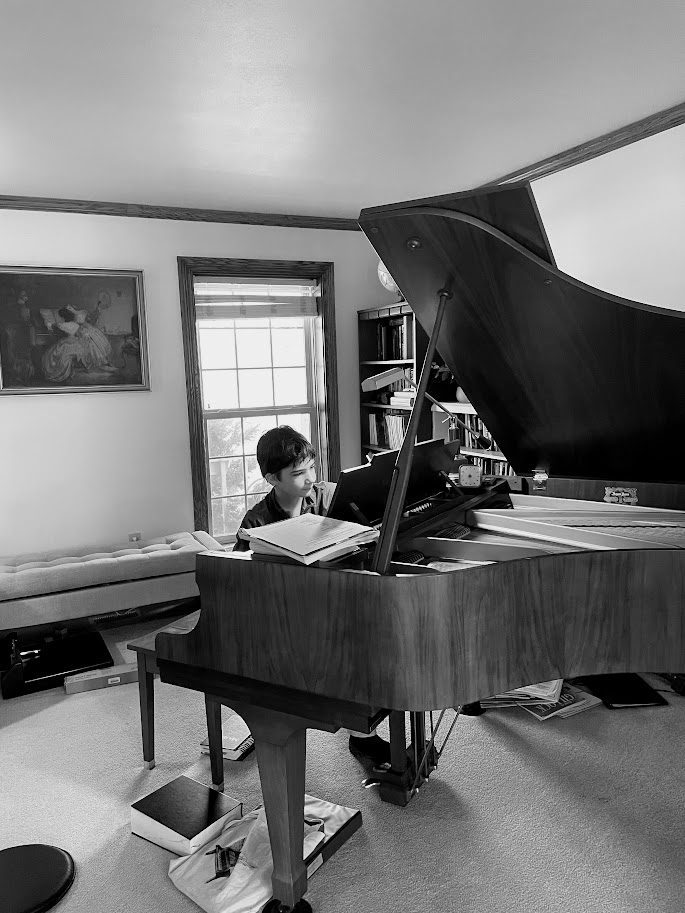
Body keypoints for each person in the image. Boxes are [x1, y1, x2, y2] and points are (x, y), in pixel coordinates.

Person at [234, 425, 391, 769]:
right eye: (298, 473)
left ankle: (367, 720)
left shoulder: (326, 496)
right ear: (272, 478)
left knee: (379, 627)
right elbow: (241, 582)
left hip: (332, 596)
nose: (310, 479)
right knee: (347, 645)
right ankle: (361, 736)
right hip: (287, 613)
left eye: (312, 468)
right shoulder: (256, 521)